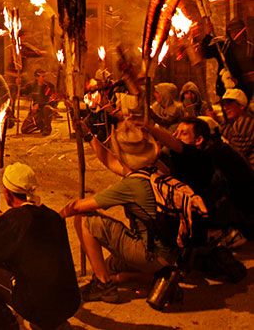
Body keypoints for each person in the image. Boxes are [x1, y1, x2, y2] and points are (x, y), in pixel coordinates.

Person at [60, 121, 177, 303]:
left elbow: (77, 207)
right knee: (109, 265)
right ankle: (149, 277)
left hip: (151, 254)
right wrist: (88, 135)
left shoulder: (132, 185)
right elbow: (109, 161)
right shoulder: (156, 172)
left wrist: (53, 217)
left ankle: (104, 285)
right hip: (168, 252)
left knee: (84, 219)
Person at [0, 163, 79, 330]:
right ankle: (52, 321)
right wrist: (5, 223)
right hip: (69, 302)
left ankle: (3, 325)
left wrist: (0, 227)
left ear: (7, 193)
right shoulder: (52, 216)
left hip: (38, 306)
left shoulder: (15, 220)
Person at [219, 88, 254, 167]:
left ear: (241, 106)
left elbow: (237, 152)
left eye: (229, 104)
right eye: (224, 105)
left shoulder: (244, 121)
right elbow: (231, 135)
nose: (225, 108)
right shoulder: (238, 121)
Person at [21, 69, 55, 136]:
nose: (45, 78)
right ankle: (39, 125)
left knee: (47, 108)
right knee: (24, 129)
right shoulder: (32, 85)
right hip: (36, 112)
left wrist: (39, 105)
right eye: (42, 77)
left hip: (46, 110)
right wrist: (18, 85)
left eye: (45, 76)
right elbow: (22, 92)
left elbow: (50, 101)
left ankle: (47, 127)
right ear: (37, 77)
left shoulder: (49, 86)